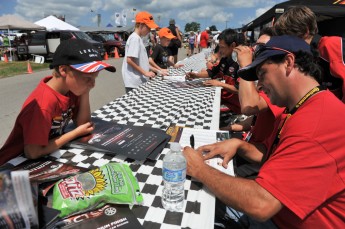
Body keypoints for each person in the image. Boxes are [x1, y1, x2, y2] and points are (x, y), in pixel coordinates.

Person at [183, 35, 345, 228]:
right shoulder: (301, 106)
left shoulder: (317, 123)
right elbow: (271, 155)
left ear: (288, 62)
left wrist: (199, 170)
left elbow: (261, 204)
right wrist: (240, 145)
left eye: (262, 73)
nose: (259, 85)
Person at [0, 39, 116, 166]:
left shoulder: (71, 89)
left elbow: (83, 124)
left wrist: (85, 91)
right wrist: (75, 133)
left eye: (95, 77)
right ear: (64, 70)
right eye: (87, 78)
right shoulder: (43, 104)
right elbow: (32, 152)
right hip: (13, 164)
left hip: (44, 155)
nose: (93, 84)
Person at [274, 5, 345, 102]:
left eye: (288, 37)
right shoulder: (304, 57)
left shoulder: (331, 45)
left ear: (305, 31)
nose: (285, 44)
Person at [186, 29, 245, 114]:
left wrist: (220, 84)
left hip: (234, 106)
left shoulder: (241, 64)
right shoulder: (225, 59)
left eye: (222, 47)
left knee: (201, 111)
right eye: (219, 46)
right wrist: (195, 75)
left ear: (233, 45)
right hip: (222, 99)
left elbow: (239, 90)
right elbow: (212, 72)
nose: (220, 50)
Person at [122, 11, 158, 93]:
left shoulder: (138, 38)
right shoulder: (135, 39)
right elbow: (129, 60)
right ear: (141, 25)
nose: (149, 30)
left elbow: (142, 62)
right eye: (148, 27)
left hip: (136, 81)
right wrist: (145, 73)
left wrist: (158, 70)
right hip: (134, 82)